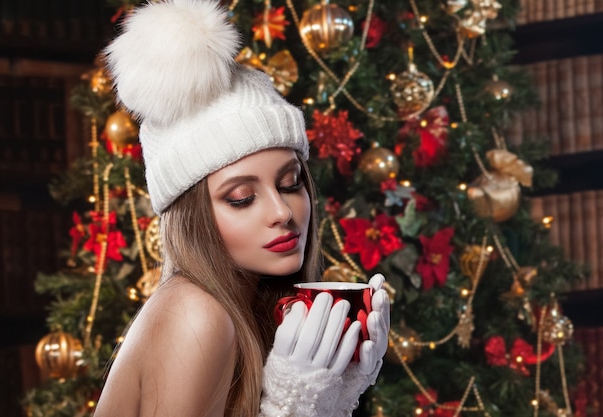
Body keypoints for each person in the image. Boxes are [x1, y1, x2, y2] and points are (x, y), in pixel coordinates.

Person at [93, 0, 390, 416]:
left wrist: (337, 393)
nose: (281, 212)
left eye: (291, 183)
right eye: (241, 198)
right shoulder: (196, 315)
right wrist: (292, 406)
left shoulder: (248, 305)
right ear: (193, 216)